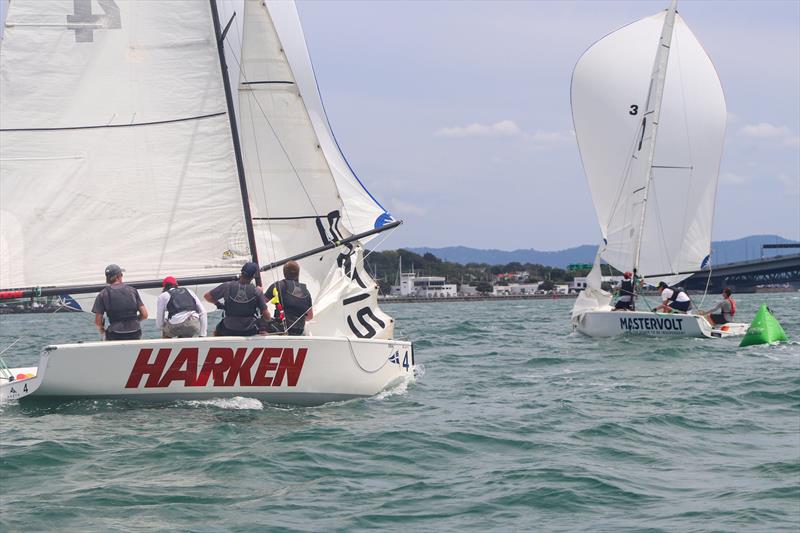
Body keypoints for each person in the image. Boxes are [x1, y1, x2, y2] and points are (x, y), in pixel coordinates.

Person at [204, 262, 269, 336]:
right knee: (262, 330)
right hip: (249, 330)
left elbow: (207, 296)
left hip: (228, 329)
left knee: (217, 330)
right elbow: (267, 316)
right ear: (254, 276)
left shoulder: (227, 286)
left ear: (241, 272)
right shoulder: (257, 291)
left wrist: (219, 305)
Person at [92, 264, 148, 341]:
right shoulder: (132, 290)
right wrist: (135, 320)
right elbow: (144, 315)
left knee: (104, 336)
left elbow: (97, 322)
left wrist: (102, 330)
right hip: (135, 332)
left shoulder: (102, 294)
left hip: (115, 334)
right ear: (119, 276)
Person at [264, 260, 313, 336]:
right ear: (298, 274)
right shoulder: (306, 291)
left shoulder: (279, 285)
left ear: (284, 273)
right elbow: (310, 316)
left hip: (280, 329)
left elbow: (262, 302)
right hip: (298, 331)